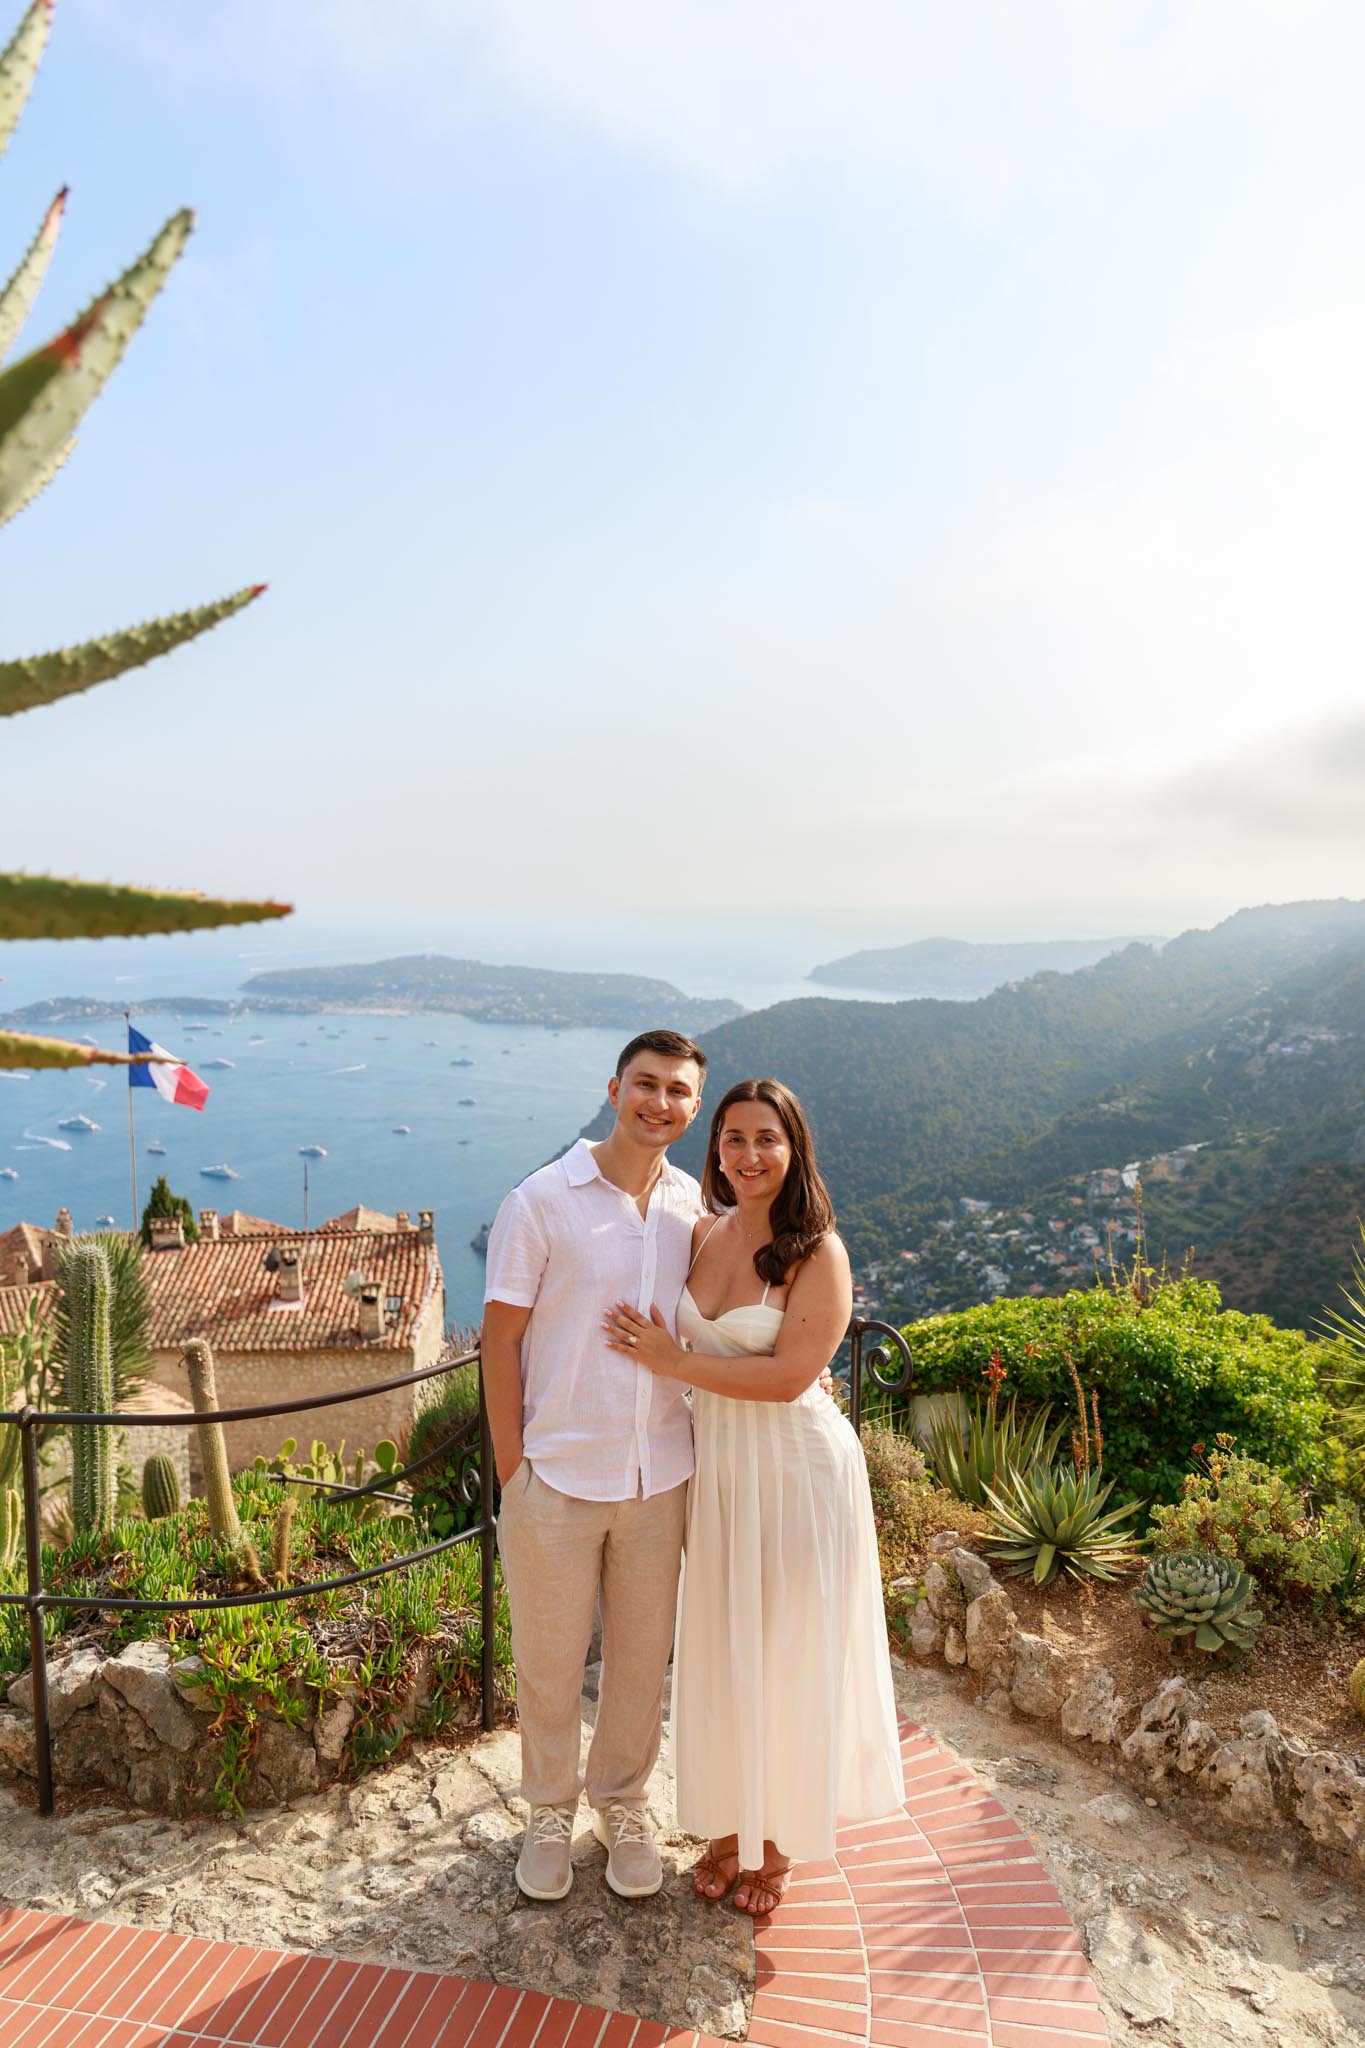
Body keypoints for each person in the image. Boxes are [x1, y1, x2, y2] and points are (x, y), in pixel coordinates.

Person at [602, 1076, 904, 1918]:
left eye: (766, 1137)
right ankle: (730, 1826)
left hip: (795, 1473)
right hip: (721, 1474)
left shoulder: (819, 1252)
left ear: (793, 1148)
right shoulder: (701, 1232)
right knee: (725, 1649)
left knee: (785, 1654)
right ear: (716, 1150)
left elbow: (788, 1376)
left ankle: (776, 1845)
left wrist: (673, 1362)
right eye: (733, 1137)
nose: (748, 1153)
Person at [481, 1029, 707, 1903]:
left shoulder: (690, 1204)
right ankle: (548, 1811)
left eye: (677, 1091)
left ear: (692, 1106)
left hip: (660, 1475)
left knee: (643, 1663)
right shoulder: (541, 1200)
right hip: (556, 1478)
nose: (660, 1103)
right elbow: (499, 1343)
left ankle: (622, 1802)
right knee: (547, 1662)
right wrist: (514, 1470)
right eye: (646, 1084)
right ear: (614, 1090)